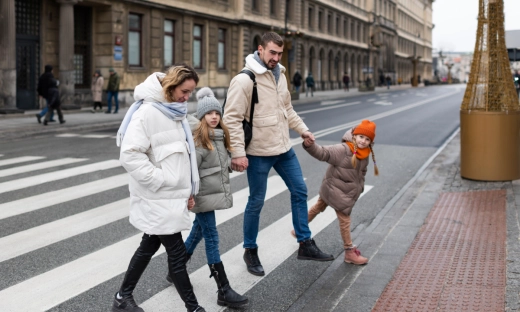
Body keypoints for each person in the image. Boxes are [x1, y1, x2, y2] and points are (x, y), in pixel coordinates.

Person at [223, 32, 333, 277]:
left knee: (300, 190)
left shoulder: (280, 75)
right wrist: (238, 153)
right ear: (260, 49)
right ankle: (250, 250)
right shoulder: (244, 79)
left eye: (279, 53)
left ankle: (305, 243)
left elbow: (287, 109)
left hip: (283, 149)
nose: (276, 57)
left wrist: (303, 130)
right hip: (259, 152)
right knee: (256, 202)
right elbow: (231, 119)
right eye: (272, 52)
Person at [113, 64, 206, 312]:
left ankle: (122, 297)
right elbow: (130, 155)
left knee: (148, 246)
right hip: (157, 196)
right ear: (170, 86)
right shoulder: (147, 113)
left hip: (169, 198)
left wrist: (185, 192)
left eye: (191, 92)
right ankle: (194, 308)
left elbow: (180, 160)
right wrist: (160, 180)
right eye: (184, 91)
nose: (187, 97)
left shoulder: (174, 113)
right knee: (176, 254)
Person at [168, 87, 248, 308]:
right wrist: (189, 195)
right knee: (211, 235)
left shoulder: (219, 137)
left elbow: (216, 165)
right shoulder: (200, 140)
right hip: (202, 195)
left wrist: (231, 165)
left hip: (208, 194)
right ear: (201, 116)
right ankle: (223, 289)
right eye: (209, 113)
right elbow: (190, 171)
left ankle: (176, 269)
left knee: (199, 231)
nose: (214, 117)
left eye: (217, 113)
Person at [296, 120, 379, 265]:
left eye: (367, 139)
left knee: (318, 207)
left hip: (337, 189)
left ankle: (299, 229)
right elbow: (323, 153)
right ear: (354, 135)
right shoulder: (343, 149)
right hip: (337, 190)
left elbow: (362, 172)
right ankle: (349, 252)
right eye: (361, 137)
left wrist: (360, 187)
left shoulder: (365, 154)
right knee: (345, 220)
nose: (363, 141)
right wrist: (310, 145)